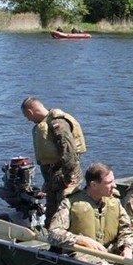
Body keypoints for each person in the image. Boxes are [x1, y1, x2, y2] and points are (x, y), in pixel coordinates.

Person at [48, 162, 133, 265]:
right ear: (94, 185)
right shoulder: (70, 203)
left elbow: (127, 230)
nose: (114, 185)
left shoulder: (114, 202)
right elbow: (54, 233)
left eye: (113, 180)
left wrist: (127, 248)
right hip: (83, 253)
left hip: (109, 250)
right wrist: (80, 239)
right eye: (109, 182)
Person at [21, 97, 86, 226]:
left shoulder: (58, 124)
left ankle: (68, 240)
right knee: (51, 212)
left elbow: (68, 152)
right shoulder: (44, 123)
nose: (28, 119)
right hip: (53, 176)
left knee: (64, 211)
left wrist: (69, 176)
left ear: (30, 111)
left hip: (65, 174)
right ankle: (53, 241)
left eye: (27, 116)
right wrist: (48, 181)